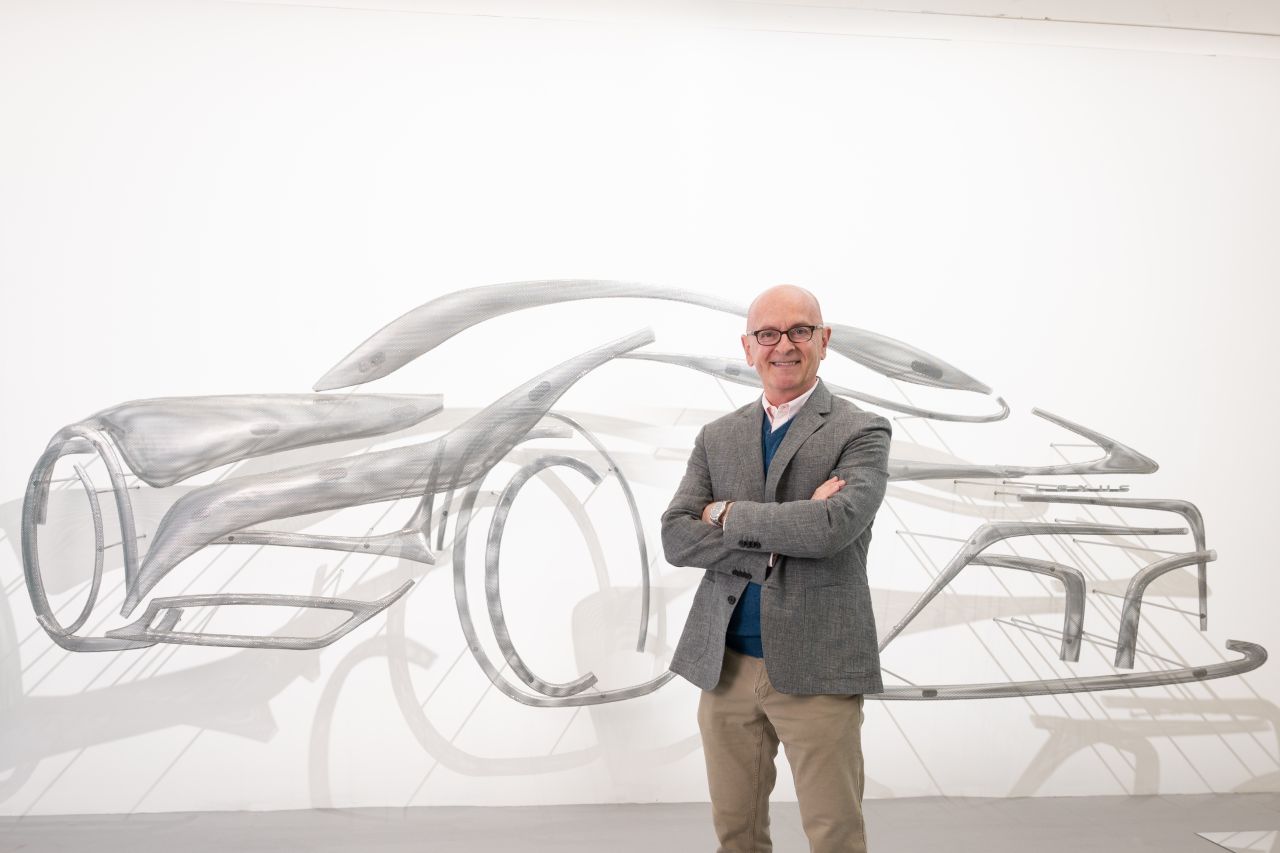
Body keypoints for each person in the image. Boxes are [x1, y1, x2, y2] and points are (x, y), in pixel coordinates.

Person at [661, 284, 891, 853]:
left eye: (799, 331)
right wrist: (785, 528)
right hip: (726, 663)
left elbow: (834, 527)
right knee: (735, 834)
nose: (783, 345)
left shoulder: (861, 430)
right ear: (748, 347)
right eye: (767, 334)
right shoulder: (718, 437)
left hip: (819, 662)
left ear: (823, 340)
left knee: (834, 833)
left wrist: (723, 514)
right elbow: (675, 536)